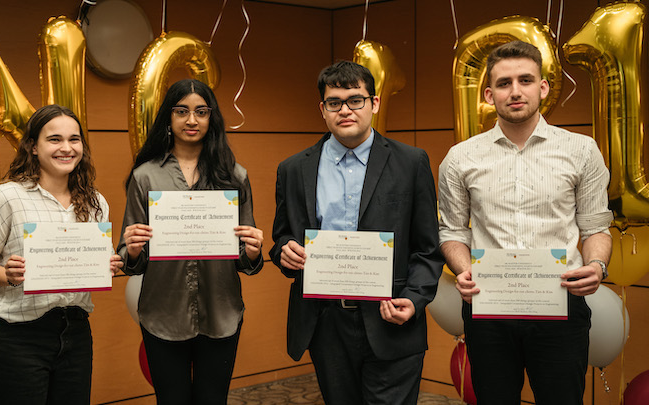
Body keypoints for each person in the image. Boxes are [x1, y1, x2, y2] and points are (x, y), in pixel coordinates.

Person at [439, 40, 613, 404]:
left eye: (525, 80)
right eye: (504, 83)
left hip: (561, 303)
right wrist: (463, 268)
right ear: (489, 94)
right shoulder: (460, 158)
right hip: (489, 305)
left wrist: (597, 265)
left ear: (543, 87)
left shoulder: (582, 150)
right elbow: (452, 231)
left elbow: (596, 226)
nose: (515, 91)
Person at [269, 61, 444, 405]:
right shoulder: (293, 169)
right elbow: (282, 237)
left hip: (391, 318)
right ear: (322, 109)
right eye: (334, 102)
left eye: (355, 100)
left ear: (374, 103)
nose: (345, 110)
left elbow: (427, 247)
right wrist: (285, 251)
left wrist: (414, 298)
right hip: (326, 321)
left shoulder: (411, 162)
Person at [118, 79, 264, 405]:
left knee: (214, 400)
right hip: (162, 313)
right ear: (169, 119)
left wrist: (253, 251)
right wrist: (134, 248)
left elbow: (246, 258)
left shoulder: (234, 175)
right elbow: (129, 259)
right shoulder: (145, 176)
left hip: (222, 310)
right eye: (182, 111)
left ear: (211, 118)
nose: (192, 120)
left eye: (201, 112)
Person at [0, 104, 123, 404]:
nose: (66, 148)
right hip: (19, 337)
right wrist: (7, 275)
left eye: (74, 139)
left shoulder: (96, 202)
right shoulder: (8, 196)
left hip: (75, 333)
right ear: (33, 147)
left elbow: (94, 264)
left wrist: (107, 265)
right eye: (55, 139)